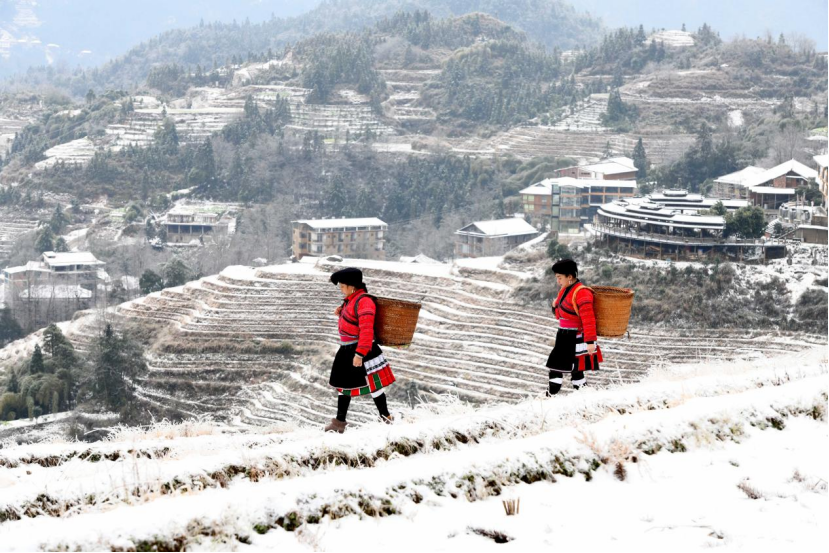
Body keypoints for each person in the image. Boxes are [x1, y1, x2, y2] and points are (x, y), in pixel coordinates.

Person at [324, 267, 396, 433]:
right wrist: (342, 313)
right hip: (347, 349)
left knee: (374, 386)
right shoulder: (351, 300)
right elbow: (353, 321)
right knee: (344, 387)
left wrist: (360, 354)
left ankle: (385, 417)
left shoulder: (364, 302)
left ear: (352, 287)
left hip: (361, 350)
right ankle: (339, 422)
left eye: (343, 286)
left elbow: (366, 330)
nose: (341, 290)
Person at [546, 258, 602, 395]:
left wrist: (590, 342)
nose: (558, 281)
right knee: (575, 371)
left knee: (559, 368)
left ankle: (550, 395)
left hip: (575, 337)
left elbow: (588, 319)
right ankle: (583, 395)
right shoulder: (564, 290)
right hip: (563, 335)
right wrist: (554, 307)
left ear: (569, 277)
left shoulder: (582, 292)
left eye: (559, 277)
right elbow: (560, 315)